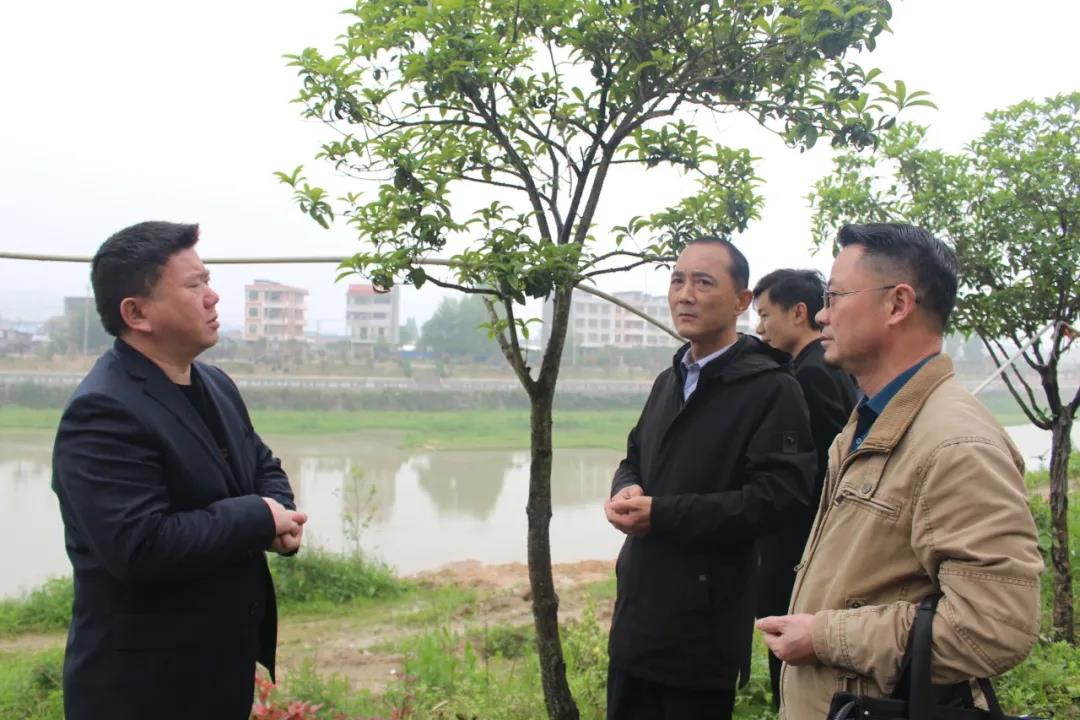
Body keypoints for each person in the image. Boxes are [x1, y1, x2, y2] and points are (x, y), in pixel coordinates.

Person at [757, 223, 1043, 719]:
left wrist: (824, 635)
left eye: (835, 296)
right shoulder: (869, 421)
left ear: (897, 304)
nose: (822, 314)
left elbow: (994, 626)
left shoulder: (955, 444)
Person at [51, 221, 308, 720]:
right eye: (194, 285)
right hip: (141, 689)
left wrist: (281, 514)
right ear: (136, 313)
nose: (213, 296)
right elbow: (140, 546)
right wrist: (259, 517)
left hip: (218, 672)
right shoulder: (103, 411)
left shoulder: (215, 383)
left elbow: (260, 462)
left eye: (208, 280)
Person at [604, 237, 816, 720]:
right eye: (677, 281)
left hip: (702, 631)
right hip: (637, 617)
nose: (685, 295)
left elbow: (780, 497)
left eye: (703, 283)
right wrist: (626, 487)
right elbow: (635, 456)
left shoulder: (771, 388)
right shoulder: (669, 380)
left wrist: (663, 514)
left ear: (742, 301)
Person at [752, 268, 859, 708]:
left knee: (792, 655)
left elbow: (822, 467)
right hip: (811, 541)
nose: (760, 327)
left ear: (799, 313)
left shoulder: (810, 374)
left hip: (801, 542)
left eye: (765, 315)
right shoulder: (819, 366)